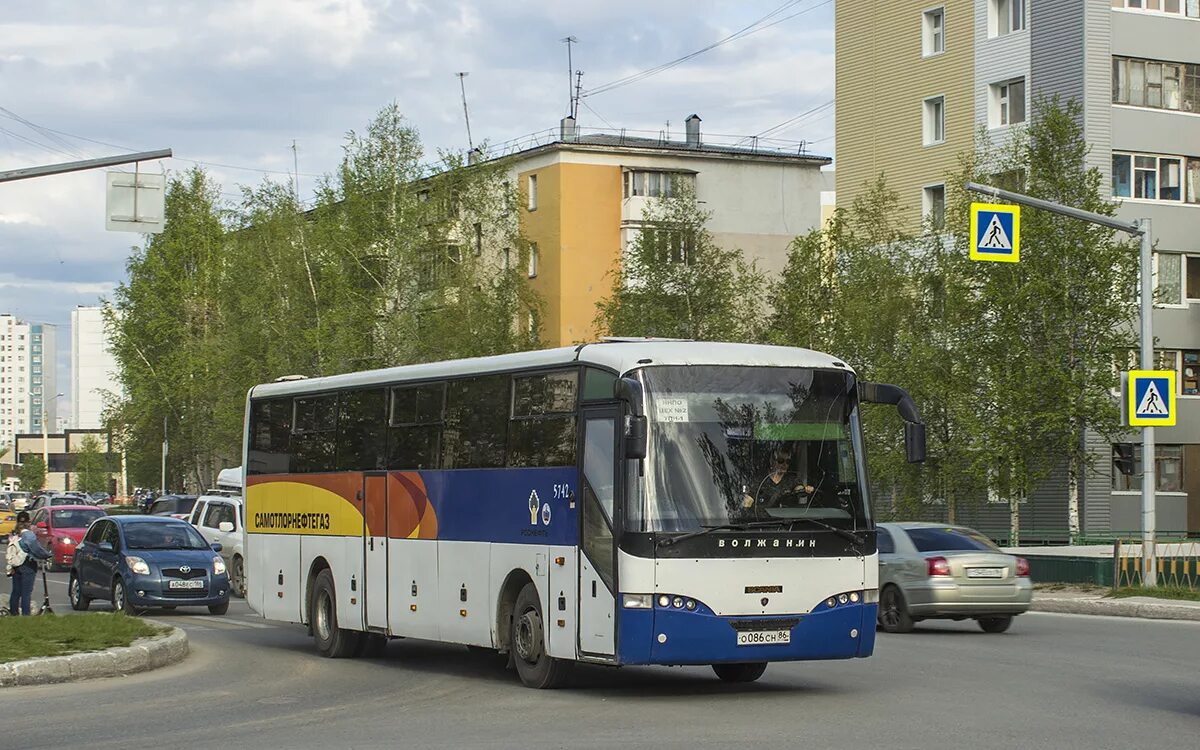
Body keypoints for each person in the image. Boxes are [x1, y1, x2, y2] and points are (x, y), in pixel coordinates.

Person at [742, 446, 815, 511]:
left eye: (787, 462)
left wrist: (805, 490)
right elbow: (748, 502)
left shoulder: (792, 480)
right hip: (763, 521)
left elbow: (799, 489)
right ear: (772, 461)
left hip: (788, 521)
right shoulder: (759, 480)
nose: (784, 464)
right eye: (780, 461)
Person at [7, 511, 51, 615]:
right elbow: (37, 550)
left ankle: (14, 613)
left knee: (16, 591)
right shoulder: (29, 535)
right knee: (26, 593)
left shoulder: (14, 534)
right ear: (28, 522)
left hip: (15, 565)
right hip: (27, 565)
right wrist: (47, 555)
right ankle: (26, 615)